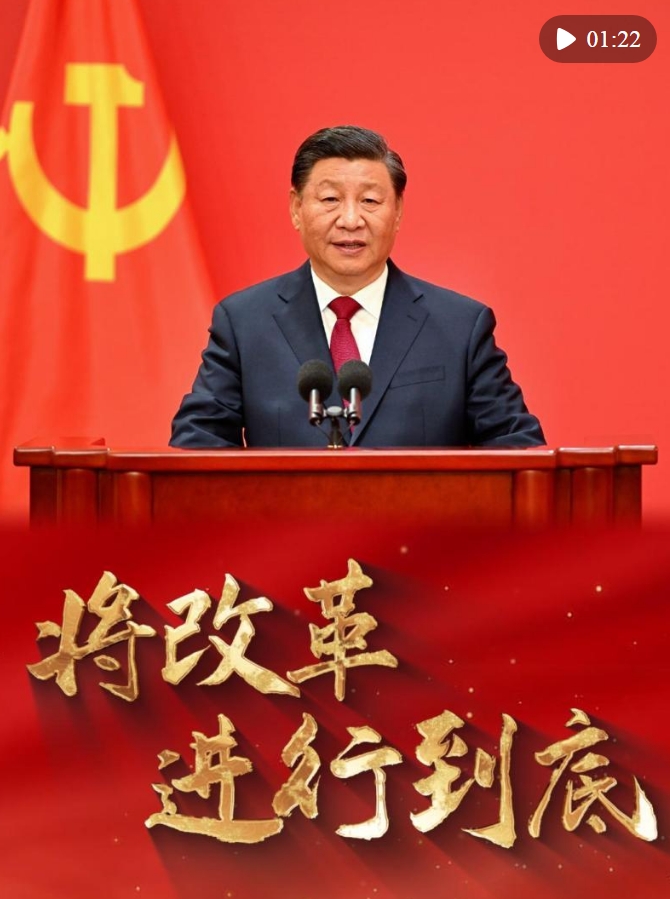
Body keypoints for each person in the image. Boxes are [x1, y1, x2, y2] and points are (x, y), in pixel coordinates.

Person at [170, 126, 544, 449]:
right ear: (296, 208)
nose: (350, 220)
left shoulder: (460, 327)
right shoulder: (244, 323)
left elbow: (518, 448)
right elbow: (198, 443)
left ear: (397, 211)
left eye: (370, 201)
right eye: (330, 199)